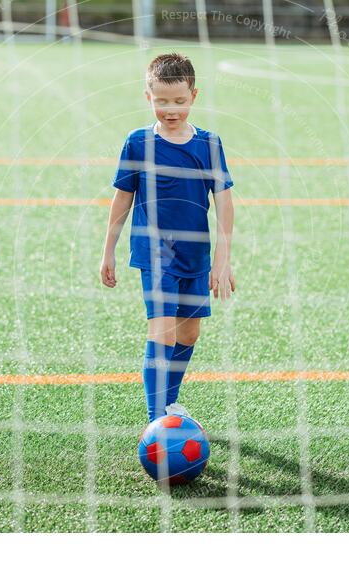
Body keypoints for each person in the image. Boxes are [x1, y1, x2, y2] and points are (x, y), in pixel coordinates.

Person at [100, 53, 236, 423]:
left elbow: (224, 203)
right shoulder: (138, 142)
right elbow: (122, 197)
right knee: (162, 331)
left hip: (195, 255)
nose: (170, 109)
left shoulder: (208, 144)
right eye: (161, 101)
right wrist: (108, 250)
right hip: (154, 252)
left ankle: (169, 404)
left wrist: (222, 261)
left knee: (188, 334)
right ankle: (156, 420)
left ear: (193, 95)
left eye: (179, 101)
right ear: (148, 97)